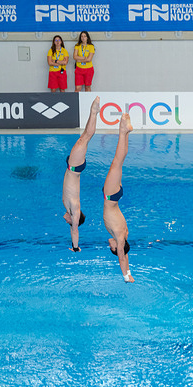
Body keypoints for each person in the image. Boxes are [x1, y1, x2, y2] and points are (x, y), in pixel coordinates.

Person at [62, 96, 100, 252]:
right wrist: (75, 247)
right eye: (69, 222)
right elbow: (75, 230)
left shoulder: (69, 207)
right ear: (74, 220)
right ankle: (94, 112)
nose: (66, 221)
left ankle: (94, 112)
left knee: (84, 137)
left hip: (73, 167)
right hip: (74, 166)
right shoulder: (75, 209)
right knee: (86, 137)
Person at [103, 113, 135, 283]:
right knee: (117, 160)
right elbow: (122, 257)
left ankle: (125, 132)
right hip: (110, 196)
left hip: (116, 196)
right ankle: (123, 131)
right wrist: (126, 276)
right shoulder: (120, 238)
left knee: (119, 162)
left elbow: (126, 255)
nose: (110, 245)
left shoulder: (124, 234)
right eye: (112, 248)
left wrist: (130, 272)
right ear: (118, 248)